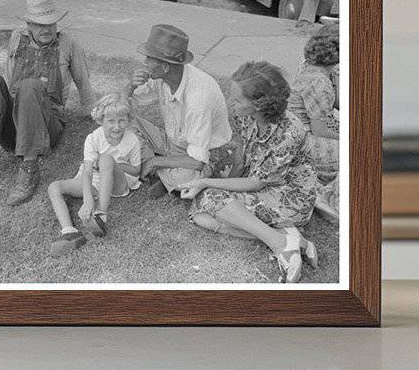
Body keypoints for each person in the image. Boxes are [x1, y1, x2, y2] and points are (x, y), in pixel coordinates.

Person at [178, 61, 318, 283]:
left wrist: (206, 181)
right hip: (260, 184)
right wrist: (231, 179)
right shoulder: (244, 115)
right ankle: (288, 239)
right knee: (202, 217)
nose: (230, 102)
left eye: (237, 99)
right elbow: (242, 150)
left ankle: (281, 244)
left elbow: (256, 183)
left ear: (259, 104)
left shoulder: (290, 132)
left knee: (209, 197)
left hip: (290, 196)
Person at [0, 0, 95, 206]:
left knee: (30, 86)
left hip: (47, 123)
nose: (47, 29)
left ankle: (30, 167)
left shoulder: (68, 43)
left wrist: (96, 116)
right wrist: (0, 104)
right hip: (15, 122)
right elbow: (8, 75)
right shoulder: (16, 37)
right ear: (29, 25)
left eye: (51, 24)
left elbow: (83, 82)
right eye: (41, 24)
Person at [127, 23, 232, 199]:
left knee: (185, 177)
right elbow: (121, 105)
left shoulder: (198, 98)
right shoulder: (162, 76)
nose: (145, 63)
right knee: (123, 119)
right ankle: (163, 173)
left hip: (204, 153)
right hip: (173, 142)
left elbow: (197, 160)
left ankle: (155, 170)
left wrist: (154, 161)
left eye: (149, 59)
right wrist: (130, 86)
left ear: (165, 67)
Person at [46, 92, 141, 256]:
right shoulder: (93, 138)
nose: (117, 126)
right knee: (54, 187)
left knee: (105, 158)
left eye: (122, 120)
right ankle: (68, 231)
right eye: (110, 121)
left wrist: (115, 164)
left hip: (119, 182)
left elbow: (136, 170)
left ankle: (101, 214)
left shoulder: (132, 140)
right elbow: (87, 172)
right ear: (101, 119)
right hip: (95, 180)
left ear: (129, 119)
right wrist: (87, 200)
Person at [288, 24, 339, 221]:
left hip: (295, 134)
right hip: (304, 140)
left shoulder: (309, 66)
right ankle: (326, 198)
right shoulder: (320, 82)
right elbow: (321, 128)